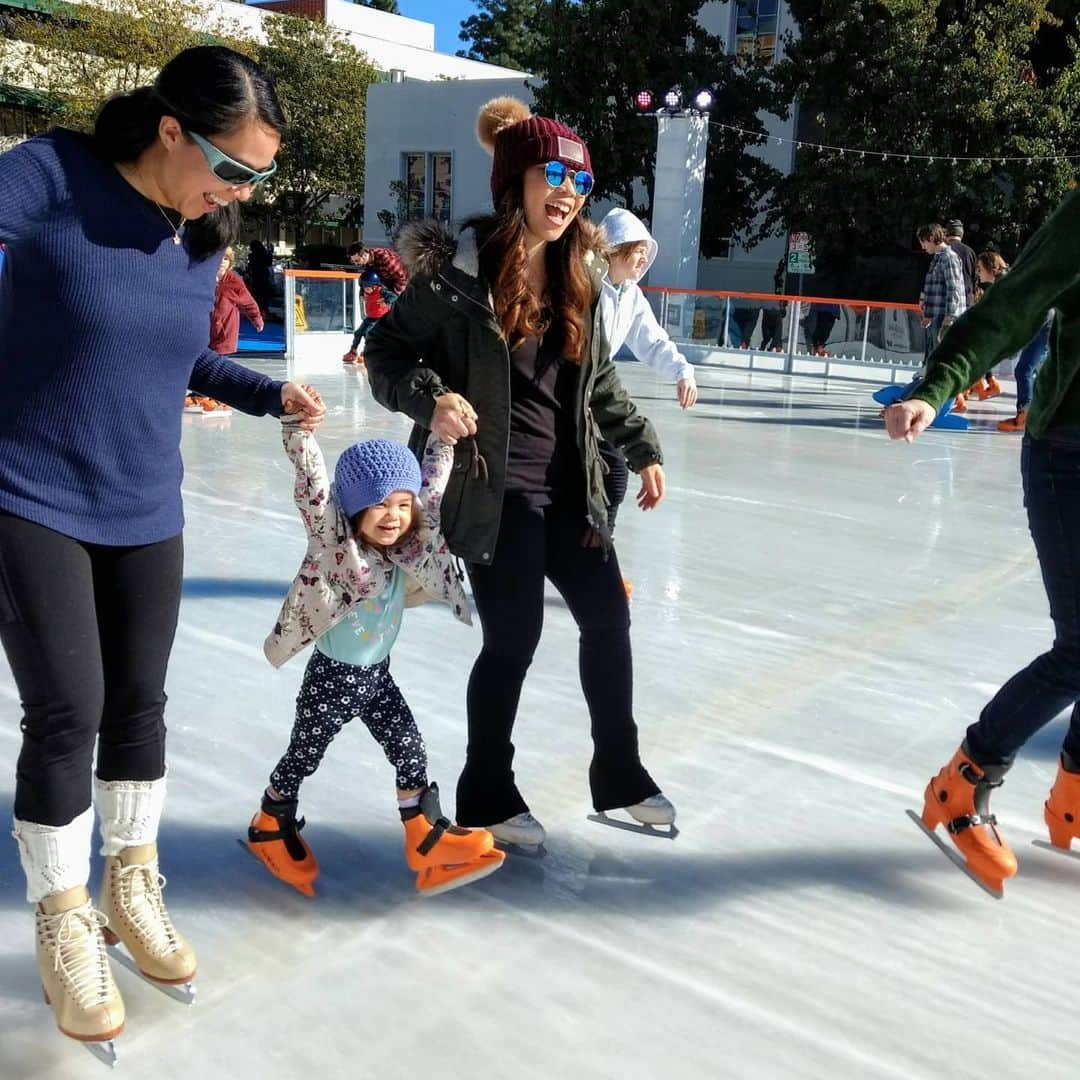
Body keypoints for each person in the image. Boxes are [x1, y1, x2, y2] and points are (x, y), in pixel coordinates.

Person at [0, 46, 325, 1052]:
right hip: (30, 492)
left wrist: (268, 392)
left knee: (139, 706)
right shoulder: (54, 176)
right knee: (70, 711)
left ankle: (129, 885)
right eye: (234, 168)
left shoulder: (200, 235)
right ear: (172, 130)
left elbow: (176, 350)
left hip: (146, 503)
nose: (241, 193)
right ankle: (63, 923)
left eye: (259, 180)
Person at [365, 96, 675, 849]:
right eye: (553, 173)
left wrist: (643, 446)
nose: (567, 190)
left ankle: (621, 771)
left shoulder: (582, 277)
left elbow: (597, 383)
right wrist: (431, 398)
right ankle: (486, 789)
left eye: (580, 179)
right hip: (490, 490)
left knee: (609, 619)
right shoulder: (458, 278)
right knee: (516, 638)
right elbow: (386, 355)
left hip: (573, 489)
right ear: (516, 182)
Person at [883, 182, 1080, 896]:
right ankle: (966, 780)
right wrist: (935, 388)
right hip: (1070, 453)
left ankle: (1074, 792)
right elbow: (1011, 306)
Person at [247, 421, 504, 897]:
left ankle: (423, 837)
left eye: (402, 505)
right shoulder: (334, 547)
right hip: (332, 679)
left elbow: (432, 483)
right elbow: (312, 486)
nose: (394, 516)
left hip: (376, 675)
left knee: (410, 748)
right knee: (304, 755)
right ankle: (269, 821)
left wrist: (443, 439)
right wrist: (298, 430)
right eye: (380, 504)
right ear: (353, 508)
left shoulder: (410, 544)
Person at [597, 208, 697, 409]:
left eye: (646, 252)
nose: (644, 258)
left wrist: (682, 371)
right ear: (616, 249)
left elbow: (653, 343)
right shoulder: (588, 286)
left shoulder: (631, 295)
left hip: (595, 386)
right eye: (639, 251)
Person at [186, 245, 266, 414]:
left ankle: (217, 396)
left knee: (218, 362)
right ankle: (199, 393)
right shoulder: (204, 276)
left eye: (225, 259)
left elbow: (248, 301)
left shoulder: (233, 281)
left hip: (225, 330)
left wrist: (256, 318)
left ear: (230, 262)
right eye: (219, 258)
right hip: (204, 328)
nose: (221, 262)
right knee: (200, 358)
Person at [342, 268, 397, 366]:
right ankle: (353, 352)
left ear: (375, 286)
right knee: (358, 333)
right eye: (364, 287)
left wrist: (386, 301)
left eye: (369, 287)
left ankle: (366, 353)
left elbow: (394, 297)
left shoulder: (381, 290)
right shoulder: (363, 291)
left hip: (380, 318)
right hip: (370, 317)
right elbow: (363, 300)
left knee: (368, 334)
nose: (366, 289)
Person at [944, 219, 977, 308]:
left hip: (947, 301)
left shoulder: (942, 251)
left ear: (946, 234)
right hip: (967, 300)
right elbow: (974, 278)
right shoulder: (970, 252)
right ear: (961, 234)